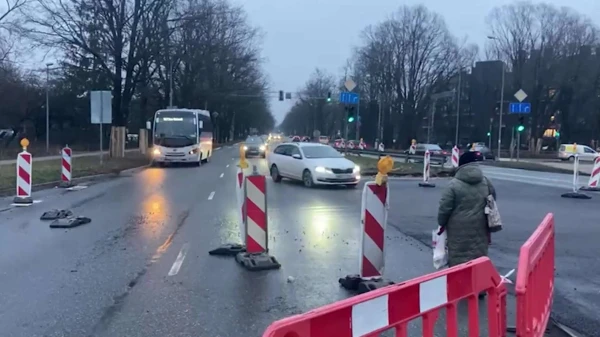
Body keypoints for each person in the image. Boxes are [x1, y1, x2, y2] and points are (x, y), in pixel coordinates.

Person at [437, 151, 496, 268]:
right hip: (481, 228)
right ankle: (477, 284)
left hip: (457, 230)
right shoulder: (486, 182)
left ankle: (459, 284)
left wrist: (441, 223)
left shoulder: (453, 185)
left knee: (459, 261)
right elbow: (493, 200)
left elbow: (444, 208)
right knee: (478, 259)